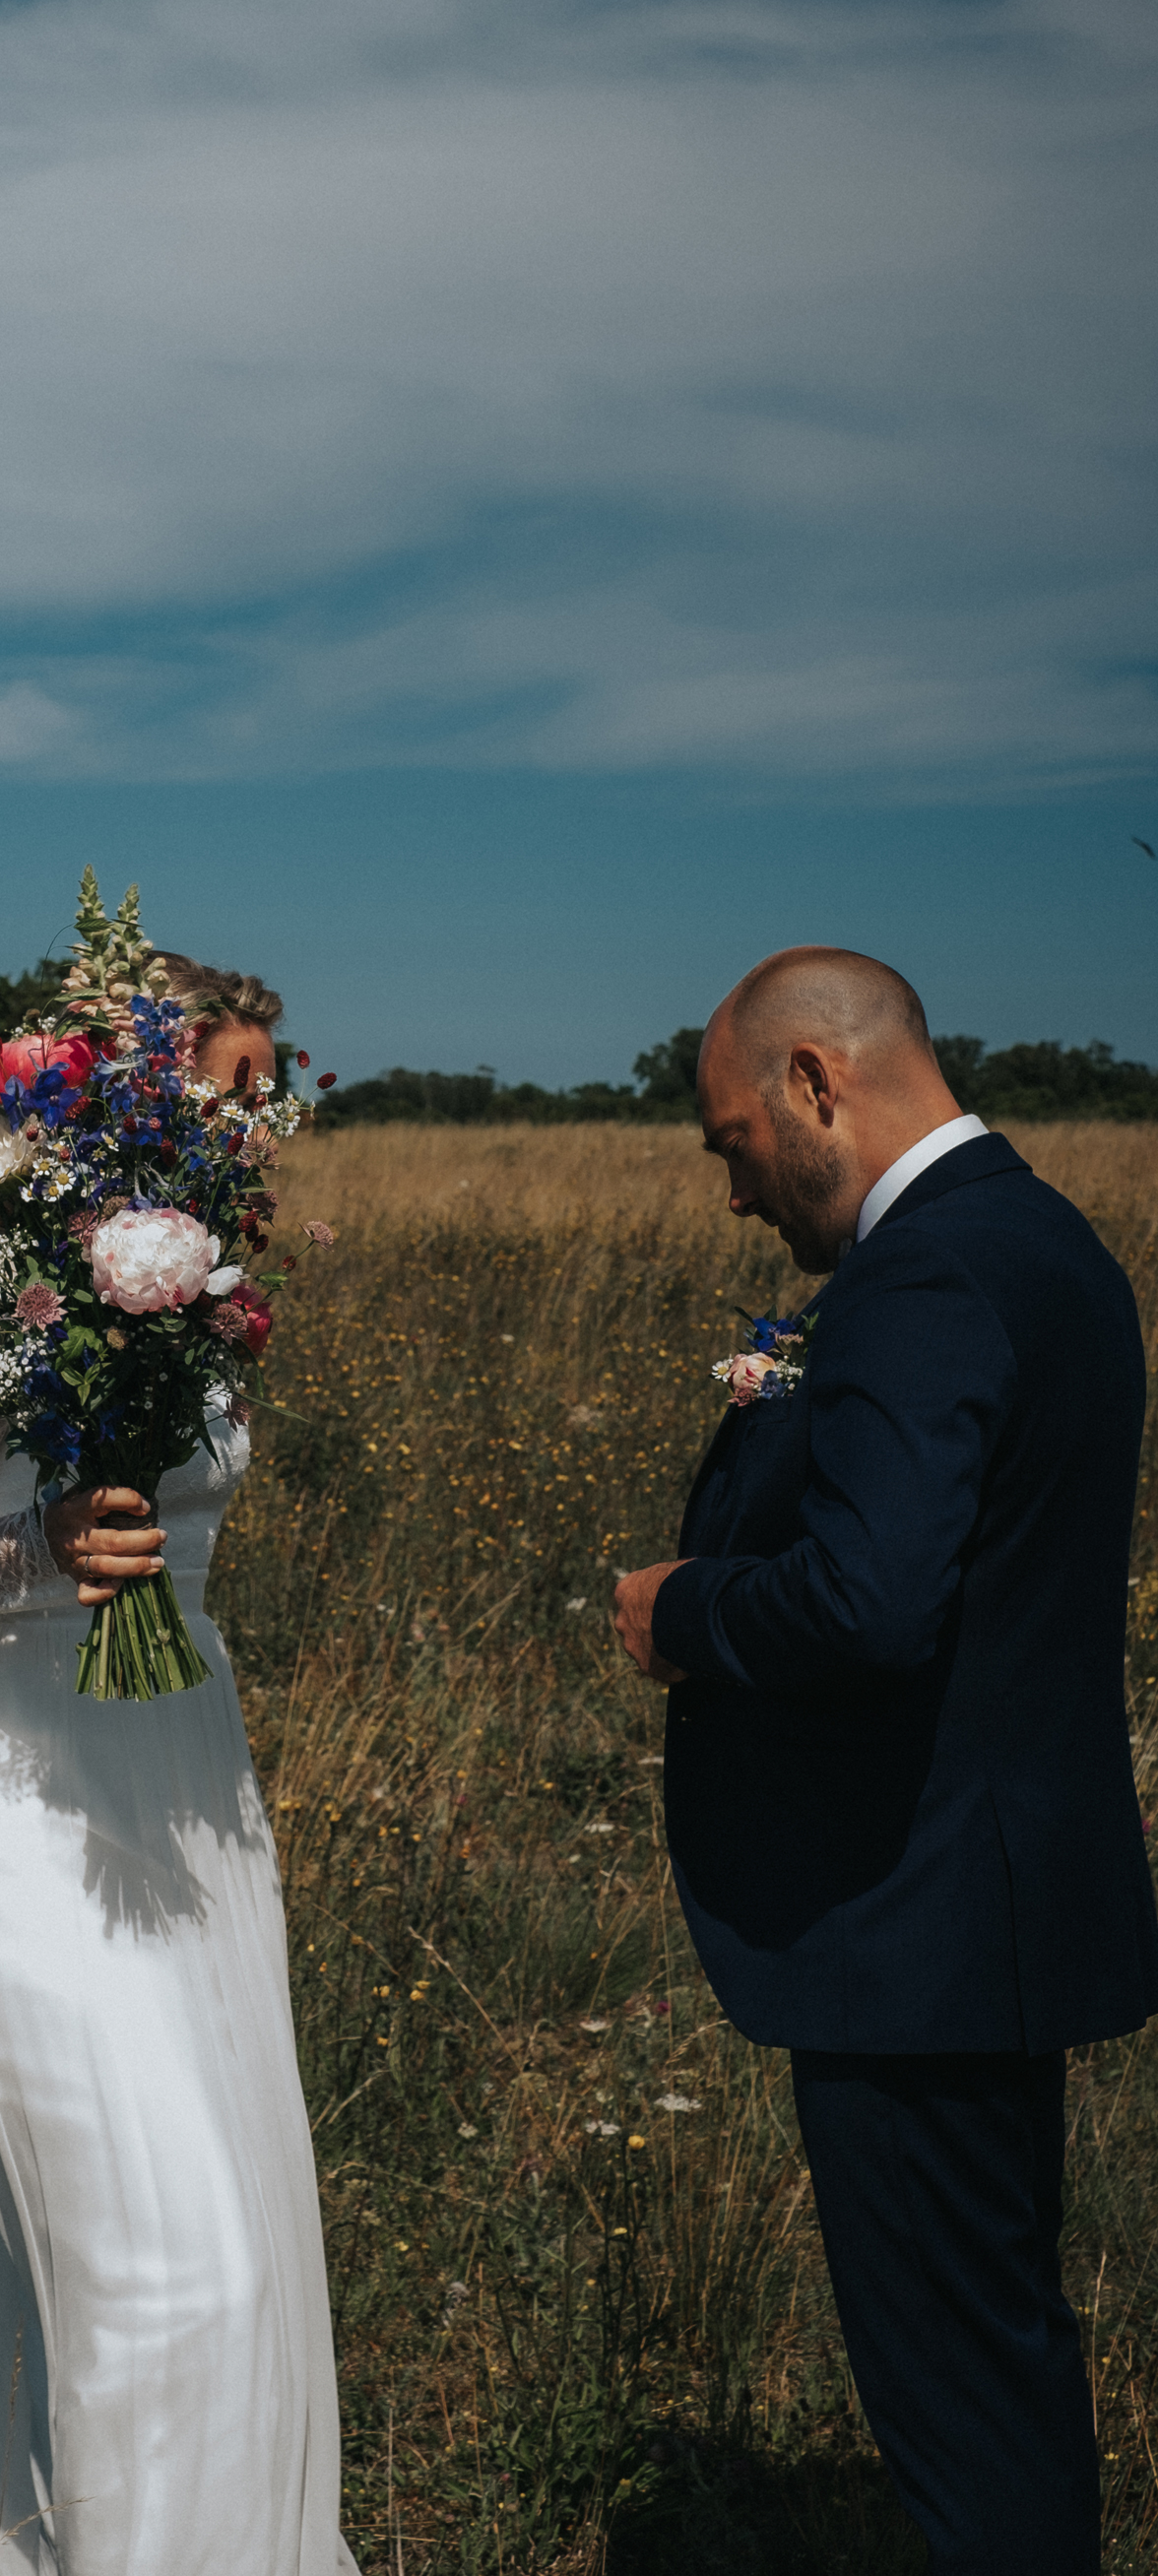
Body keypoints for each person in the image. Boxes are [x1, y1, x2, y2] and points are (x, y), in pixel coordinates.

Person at [612, 946, 1158, 2576]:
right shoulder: (1045, 1238)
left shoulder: (922, 1278)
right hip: (990, 1902)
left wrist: (683, 1608)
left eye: (729, 1143)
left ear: (813, 1085)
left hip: (914, 1924)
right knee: (996, 2353)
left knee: (961, 2396)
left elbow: (869, 1602)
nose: (733, 1194)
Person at [0, 958, 358, 2576]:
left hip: (186, 1783)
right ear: (135, 1092)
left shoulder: (204, 1297)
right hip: (14, 1795)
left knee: (235, 2256)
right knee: (169, 2271)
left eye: (269, 1088)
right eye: (235, 1082)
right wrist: (41, 1549)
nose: (262, 1118)